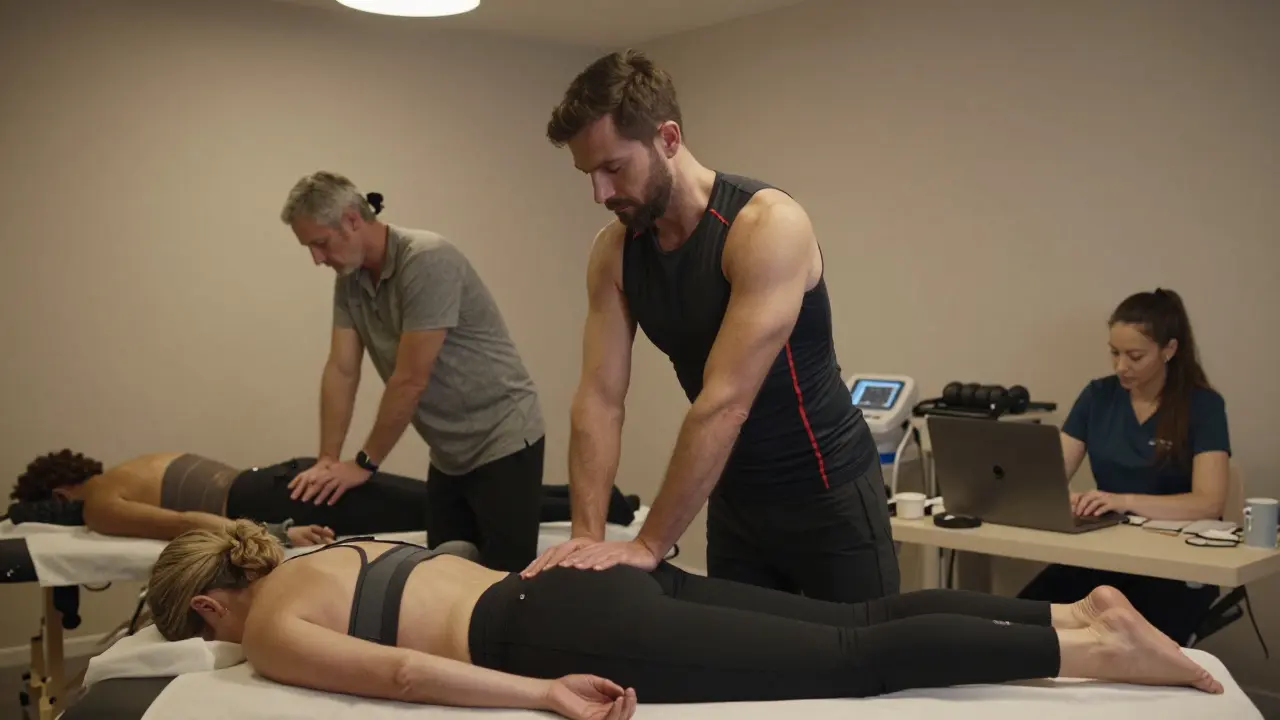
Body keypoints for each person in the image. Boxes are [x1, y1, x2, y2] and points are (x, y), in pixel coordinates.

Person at [143, 521, 1222, 720]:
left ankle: (1088, 647)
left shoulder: (273, 618)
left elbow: (402, 681)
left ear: (205, 605)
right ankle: (1069, 609)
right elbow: (453, 575)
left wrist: (541, 694)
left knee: (849, 660)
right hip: (574, 583)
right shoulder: (334, 549)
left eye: (211, 639)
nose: (231, 653)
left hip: (553, 635)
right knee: (860, 608)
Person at [523, 50, 897, 602]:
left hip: (828, 494)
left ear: (668, 139)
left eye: (613, 168)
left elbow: (724, 403)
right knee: (744, 677)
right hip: (734, 500)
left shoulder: (765, 226)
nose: (600, 195)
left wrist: (649, 544)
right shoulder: (615, 253)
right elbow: (600, 399)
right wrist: (587, 538)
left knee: (869, 674)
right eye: (589, 175)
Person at [278, 172, 547, 572]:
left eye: (320, 244)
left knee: (504, 584)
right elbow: (342, 369)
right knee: (441, 575)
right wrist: (328, 460)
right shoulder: (350, 282)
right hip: (448, 452)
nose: (317, 259)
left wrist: (364, 463)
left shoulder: (426, 259)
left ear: (352, 220)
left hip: (503, 437)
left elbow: (410, 379)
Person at [1019, 288, 1231, 646]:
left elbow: (1208, 502)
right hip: (1105, 557)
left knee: (1123, 649)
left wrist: (1123, 500)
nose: (1121, 367)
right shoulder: (1098, 396)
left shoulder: (1202, 406)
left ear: (1169, 350)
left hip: (1172, 568)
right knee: (1018, 624)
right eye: (1114, 353)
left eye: (1135, 356)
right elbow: (1050, 478)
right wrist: (1061, 498)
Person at [6, 450, 428, 546]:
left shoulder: (100, 504)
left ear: (60, 494)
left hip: (282, 501)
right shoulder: (132, 467)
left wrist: (278, 534)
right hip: (288, 479)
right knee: (433, 503)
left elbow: (185, 523)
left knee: (435, 508)